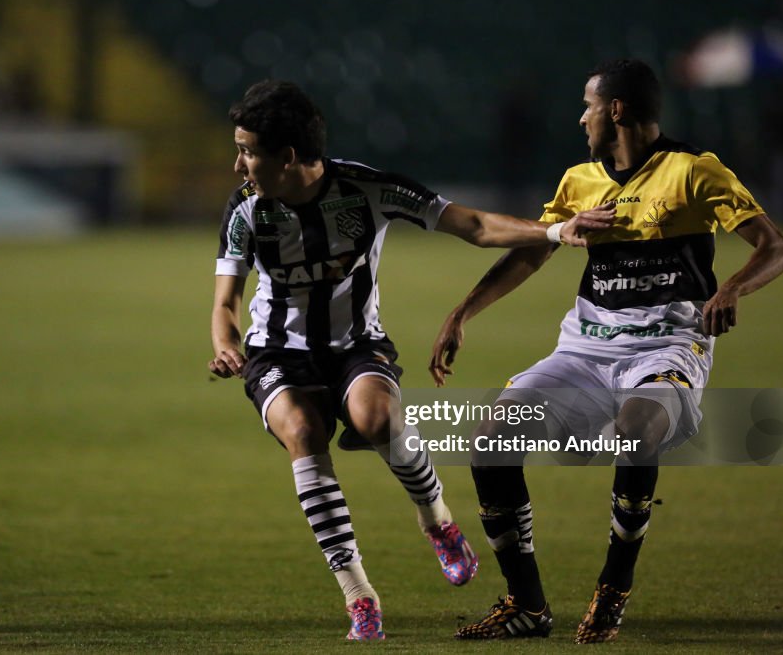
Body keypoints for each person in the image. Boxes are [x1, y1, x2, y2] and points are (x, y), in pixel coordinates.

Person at [209, 80, 615, 641]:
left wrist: (554, 231)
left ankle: (438, 521)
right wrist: (226, 345)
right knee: (303, 431)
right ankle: (360, 598)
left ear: (289, 157)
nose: (238, 164)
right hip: (276, 352)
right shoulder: (246, 211)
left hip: (356, 345)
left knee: (379, 420)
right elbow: (225, 303)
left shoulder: (366, 189)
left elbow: (470, 225)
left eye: (248, 151)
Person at [429, 59, 783, 643]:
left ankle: (613, 590)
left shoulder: (693, 172)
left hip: (667, 349)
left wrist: (731, 288)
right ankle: (527, 606)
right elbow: (532, 252)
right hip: (584, 350)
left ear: (616, 110)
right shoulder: (580, 181)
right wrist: (462, 312)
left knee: (636, 428)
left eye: (588, 105)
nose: (581, 117)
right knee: (492, 442)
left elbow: (775, 247)